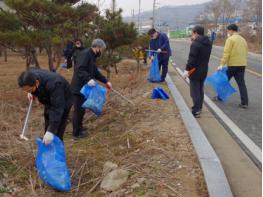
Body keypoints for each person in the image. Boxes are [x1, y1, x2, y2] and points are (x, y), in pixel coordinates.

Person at [18, 68, 73, 144]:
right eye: (26, 90)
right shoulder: (30, 75)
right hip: (48, 98)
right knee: (48, 118)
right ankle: (48, 146)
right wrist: (30, 92)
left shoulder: (54, 84)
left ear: (36, 83)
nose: (28, 92)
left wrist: (51, 131)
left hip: (63, 100)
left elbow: (57, 108)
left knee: (57, 128)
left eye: (29, 90)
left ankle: (57, 151)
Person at [71, 39, 112, 140]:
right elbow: (79, 69)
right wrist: (88, 79)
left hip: (85, 87)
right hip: (78, 87)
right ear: (97, 47)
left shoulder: (92, 56)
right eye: (102, 49)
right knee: (78, 110)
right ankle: (76, 133)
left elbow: (95, 72)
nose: (101, 52)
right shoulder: (85, 54)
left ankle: (80, 128)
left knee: (82, 109)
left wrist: (106, 81)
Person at [217, 24, 249, 108]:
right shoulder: (243, 40)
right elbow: (246, 52)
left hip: (232, 65)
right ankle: (244, 102)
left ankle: (220, 97)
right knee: (241, 84)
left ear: (231, 30)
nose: (228, 32)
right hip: (242, 64)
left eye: (228, 31)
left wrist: (221, 64)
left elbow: (226, 53)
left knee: (224, 81)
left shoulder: (230, 39)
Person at [183, 25, 212, 118]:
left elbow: (192, 58)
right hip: (204, 70)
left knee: (194, 91)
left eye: (192, 33)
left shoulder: (195, 44)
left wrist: (187, 69)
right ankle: (199, 107)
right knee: (200, 90)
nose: (192, 35)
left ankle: (196, 110)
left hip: (194, 71)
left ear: (195, 33)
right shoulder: (208, 43)